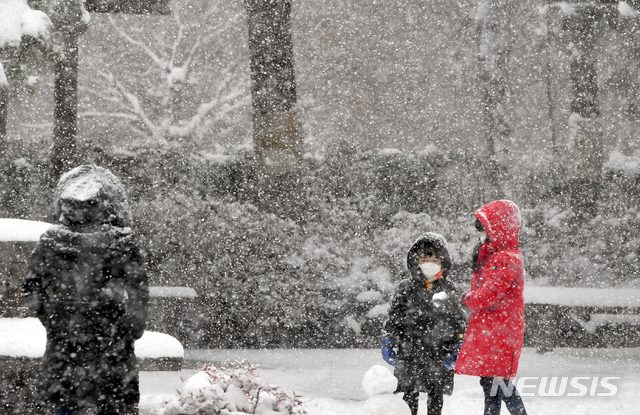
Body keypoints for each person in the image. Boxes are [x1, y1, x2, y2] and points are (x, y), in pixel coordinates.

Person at [23, 165, 149, 415]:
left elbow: (31, 285)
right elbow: (138, 289)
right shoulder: (121, 241)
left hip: (68, 333)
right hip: (109, 332)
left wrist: (52, 317)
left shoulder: (51, 241)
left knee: (65, 399)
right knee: (113, 400)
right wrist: (131, 325)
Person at [455, 200, 528, 415]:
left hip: (499, 333)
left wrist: (466, 298)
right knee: (491, 385)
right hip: (494, 331)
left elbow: (489, 294)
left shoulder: (505, 258)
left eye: (483, 229)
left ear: (497, 229)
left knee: (500, 385)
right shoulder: (496, 256)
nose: (480, 235)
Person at [382, 233, 467, 415]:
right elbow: (394, 319)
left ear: (442, 262)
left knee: (436, 397)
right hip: (409, 353)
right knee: (409, 397)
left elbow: (459, 322)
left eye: (435, 260)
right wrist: (389, 339)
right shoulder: (405, 288)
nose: (429, 263)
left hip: (439, 354)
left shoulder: (449, 289)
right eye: (424, 259)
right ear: (416, 262)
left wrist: (459, 344)